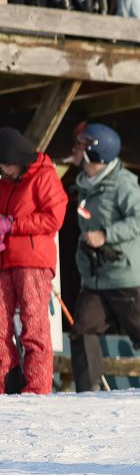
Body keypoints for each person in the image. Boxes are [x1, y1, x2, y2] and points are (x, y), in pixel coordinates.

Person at [68, 123, 140, 391]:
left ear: (98, 152)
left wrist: (106, 235)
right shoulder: (85, 185)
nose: (77, 148)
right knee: (82, 330)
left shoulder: (122, 183)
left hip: (125, 274)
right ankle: (88, 391)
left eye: (83, 144)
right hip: (97, 277)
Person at [0, 127, 68, 394]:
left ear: (17, 159)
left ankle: (37, 387)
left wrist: (13, 225)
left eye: (5, 166)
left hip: (33, 261)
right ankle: (6, 383)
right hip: (5, 260)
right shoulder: (4, 182)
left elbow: (55, 217)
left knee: (33, 324)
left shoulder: (44, 176)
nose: (3, 172)